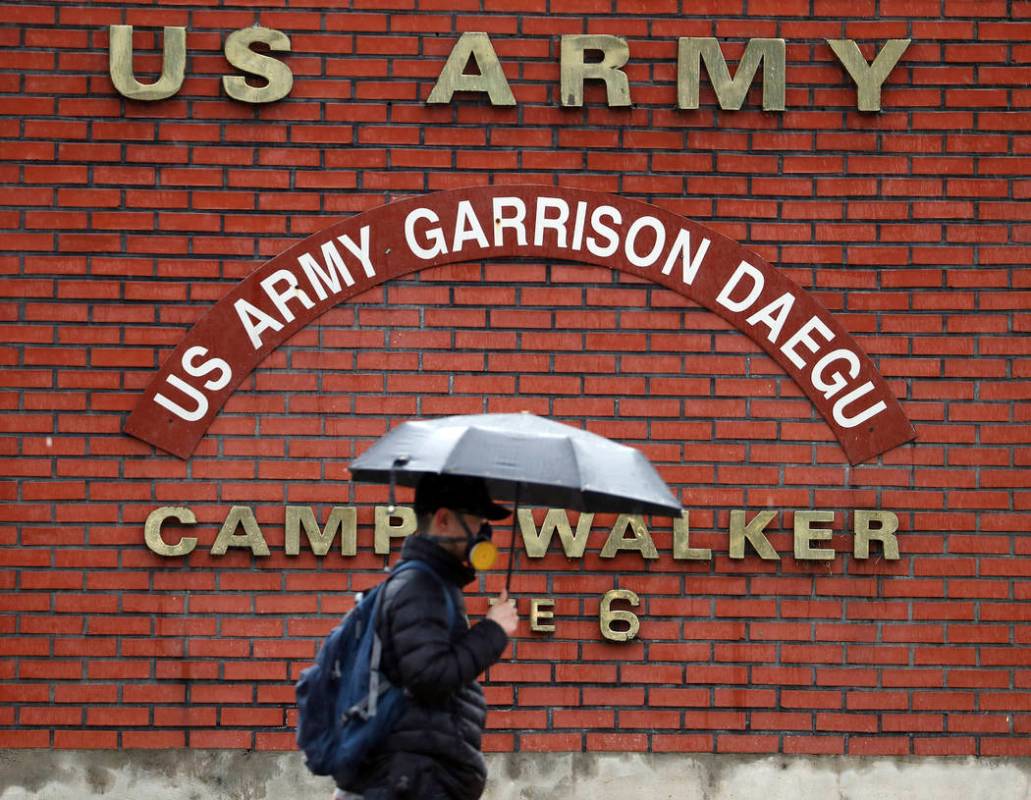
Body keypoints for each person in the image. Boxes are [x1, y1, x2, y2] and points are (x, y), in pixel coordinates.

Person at [334, 474, 520, 800]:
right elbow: (428, 676)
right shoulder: (421, 587)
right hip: (410, 780)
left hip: (413, 777)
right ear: (444, 519)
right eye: (477, 522)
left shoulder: (428, 584)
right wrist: (492, 631)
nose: (483, 535)